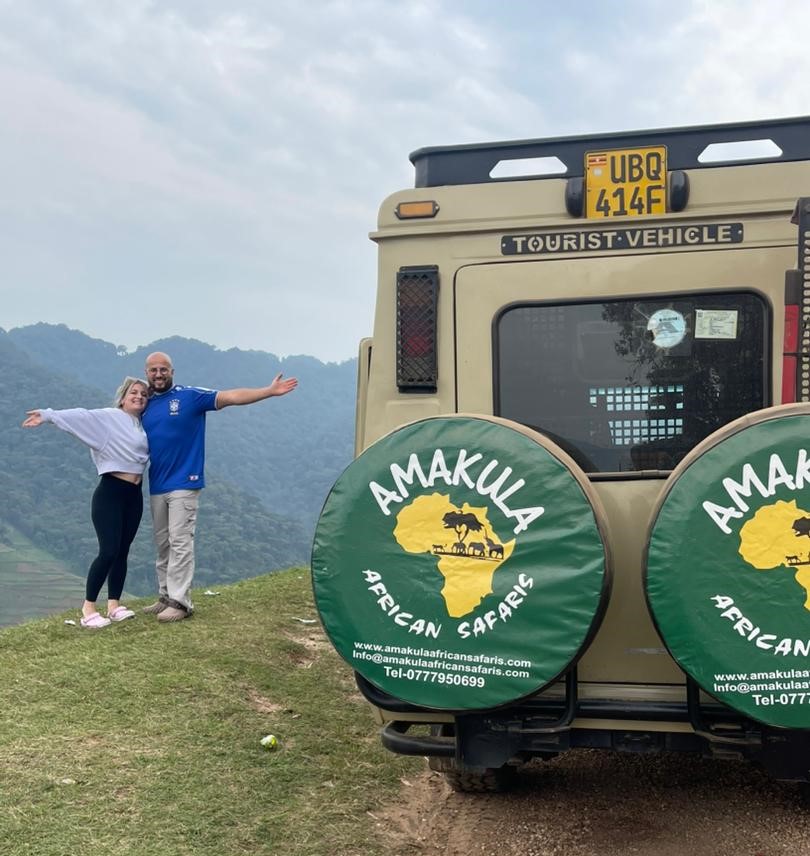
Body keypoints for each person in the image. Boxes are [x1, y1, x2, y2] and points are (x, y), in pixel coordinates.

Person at [141, 351, 298, 622]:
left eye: (163, 369)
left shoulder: (189, 396)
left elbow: (230, 397)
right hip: (157, 484)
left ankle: (180, 602)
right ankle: (165, 596)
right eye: (153, 370)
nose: (158, 374)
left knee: (180, 541)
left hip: (185, 482)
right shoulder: (146, 404)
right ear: (147, 373)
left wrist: (268, 391)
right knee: (163, 543)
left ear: (172, 372)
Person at [22, 378, 150, 629]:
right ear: (123, 398)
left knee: (122, 550)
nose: (139, 396)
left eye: (144, 394)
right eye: (134, 392)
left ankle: (114, 605)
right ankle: (88, 608)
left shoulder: (141, 426)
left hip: (134, 495)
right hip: (111, 492)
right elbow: (82, 416)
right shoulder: (110, 417)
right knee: (109, 550)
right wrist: (48, 415)